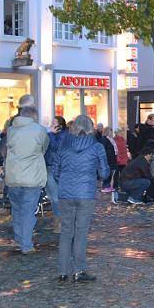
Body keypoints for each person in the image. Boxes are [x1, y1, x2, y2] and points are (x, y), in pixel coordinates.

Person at [51, 115, 109, 283]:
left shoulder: (64, 144)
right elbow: (104, 173)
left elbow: (55, 170)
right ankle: (79, 270)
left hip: (65, 193)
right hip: (85, 193)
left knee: (66, 232)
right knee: (81, 233)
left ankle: (62, 271)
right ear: (91, 128)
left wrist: (64, 181)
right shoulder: (97, 147)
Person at [5, 104, 50, 254]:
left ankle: (19, 238)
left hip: (13, 176)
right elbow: (44, 148)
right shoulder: (40, 131)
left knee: (17, 210)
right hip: (32, 176)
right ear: (33, 116)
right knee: (28, 212)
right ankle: (26, 245)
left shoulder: (11, 130)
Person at [45, 116, 69, 230]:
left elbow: (56, 147)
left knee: (55, 196)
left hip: (55, 168)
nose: (51, 124)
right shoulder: (54, 135)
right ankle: (58, 220)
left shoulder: (63, 135)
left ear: (60, 125)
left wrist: (50, 134)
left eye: (54, 122)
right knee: (52, 195)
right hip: (49, 166)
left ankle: (59, 222)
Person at [96, 128, 117, 193]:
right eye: (111, 131)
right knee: (108, 173)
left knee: (110, 173)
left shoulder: (108, 139)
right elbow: (103, 150)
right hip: (108, 159)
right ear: (108, 132)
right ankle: (105, 186)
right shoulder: (104, 140)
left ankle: (107, 186)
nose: (112, 133)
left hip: (111, 159)